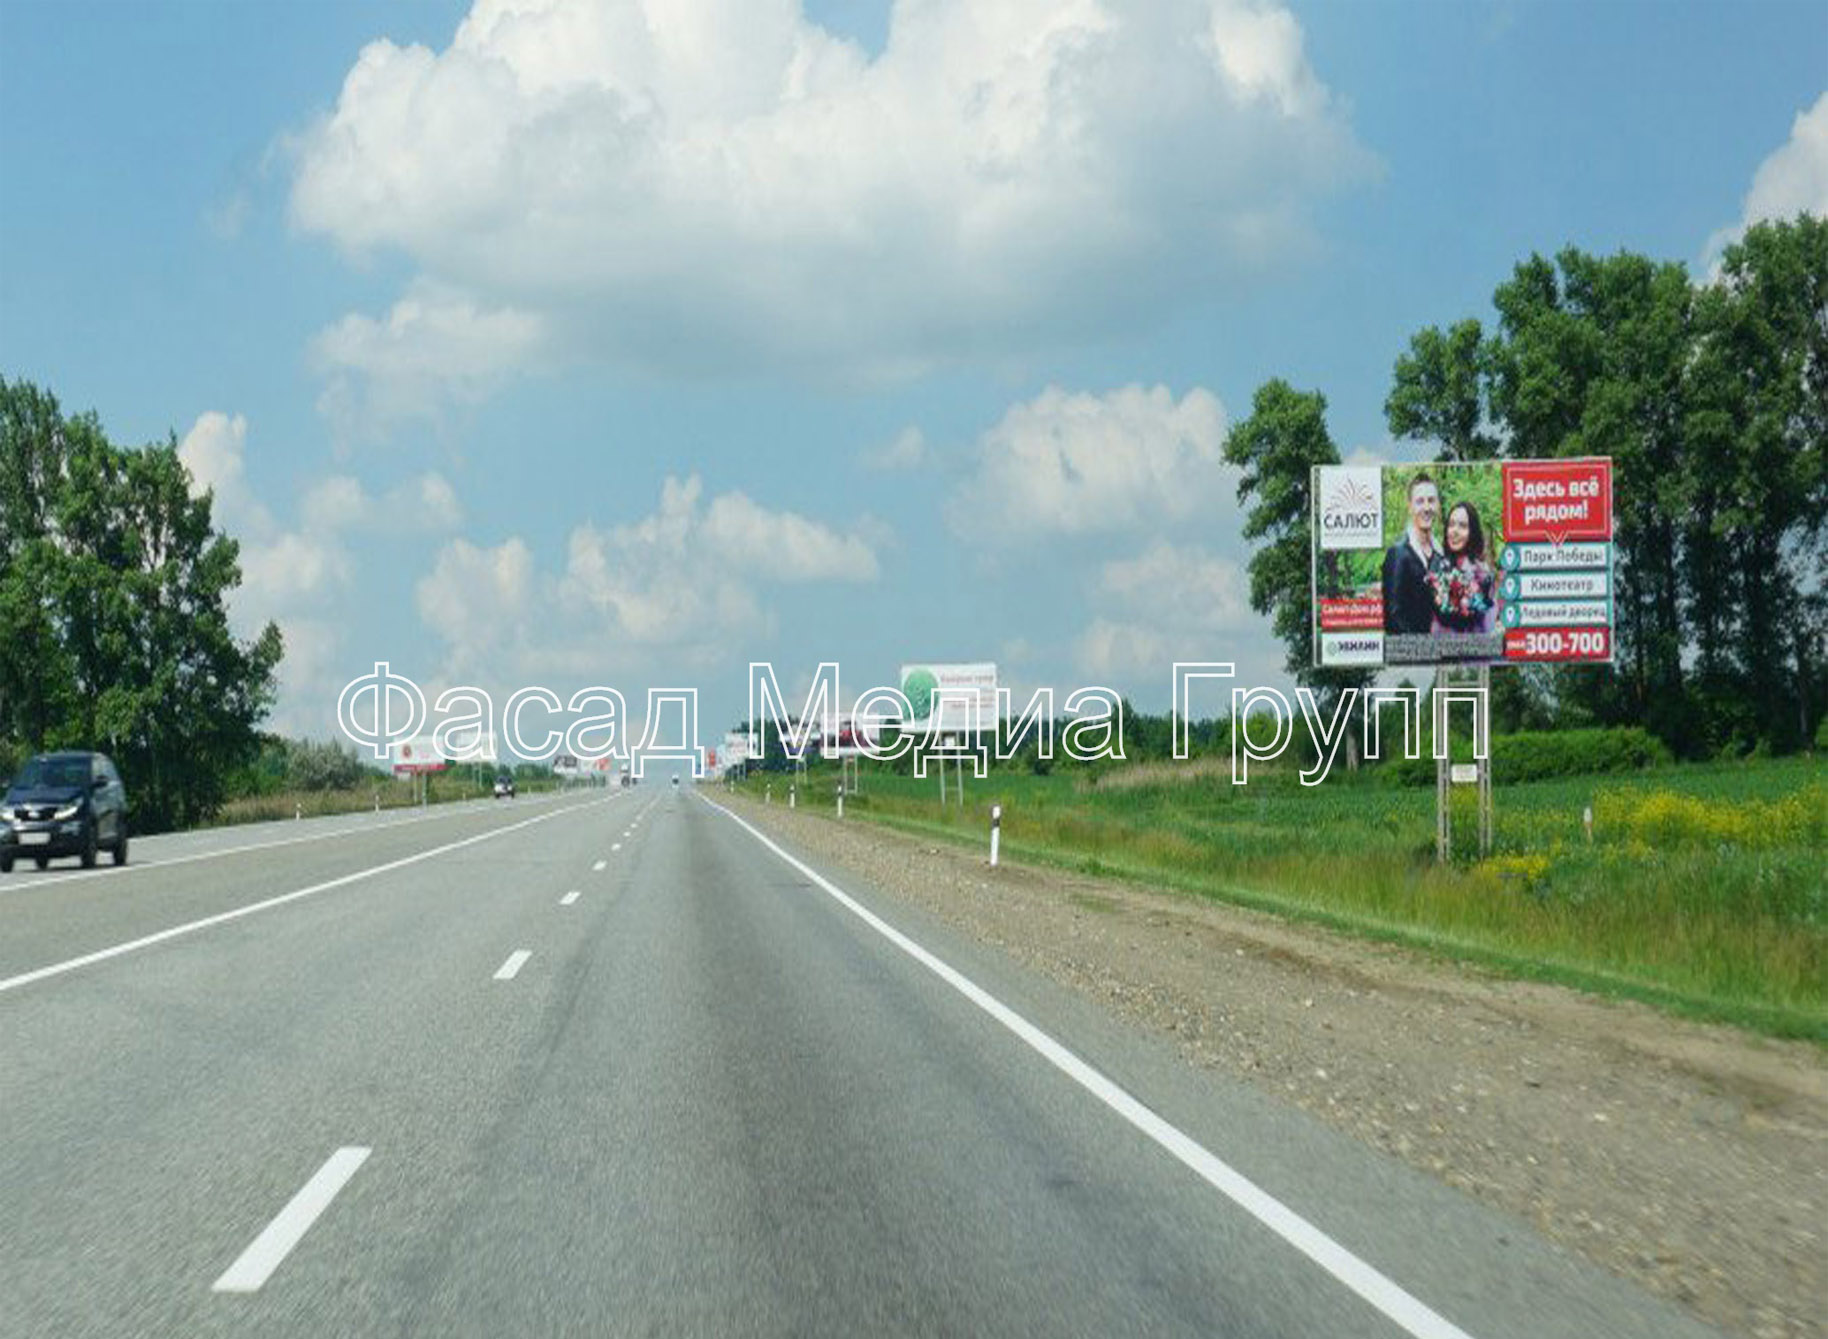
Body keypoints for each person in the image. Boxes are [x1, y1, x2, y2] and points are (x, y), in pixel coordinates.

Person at [1381, 472, 1440, 634]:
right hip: (1409, 648)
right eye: (1420, 501)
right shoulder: (1398, 553)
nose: (1427, 508)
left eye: (1431, 500)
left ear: (1438, 505)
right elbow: (1393, 618)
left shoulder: (1441, 555)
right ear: (1410, 507)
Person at [1428, 500, 1496, 635]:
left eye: (1463, 526)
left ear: (1473, 532)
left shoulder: (1482, 573)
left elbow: (1484, 622)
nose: (1455, 531)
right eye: (1451, 524)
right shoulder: (1437, 566)